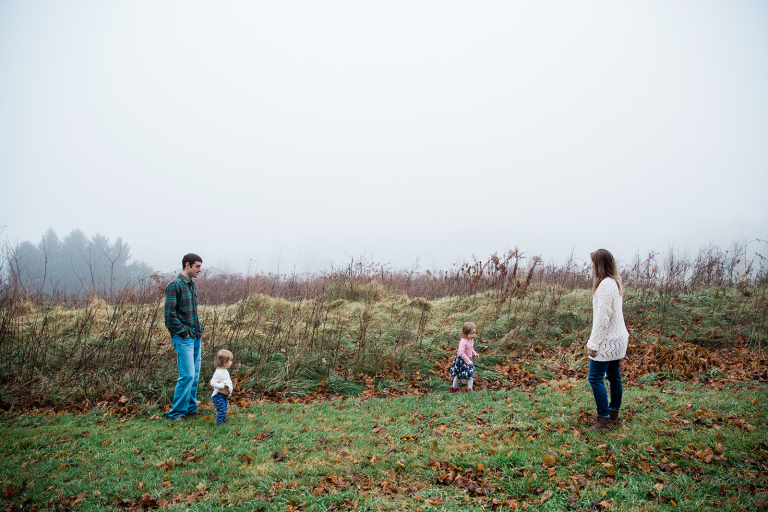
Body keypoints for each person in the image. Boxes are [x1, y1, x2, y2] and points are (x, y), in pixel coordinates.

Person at [586, 248, 629, 431]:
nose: (592, 266)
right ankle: (613, 413)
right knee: (614, 377)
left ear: (599, 264)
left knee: (595, 377)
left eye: (593, 263)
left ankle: (603, 420)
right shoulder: (614, 282)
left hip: (608, 341)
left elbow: (603, 318)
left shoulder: (605, 286)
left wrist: (593, 343)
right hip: (619, 338)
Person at [164, 253, 204, 420]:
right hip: (184, 338)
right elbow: (169, 315)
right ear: (187, 265)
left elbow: (191, 312)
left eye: (200, 266)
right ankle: (176, 413)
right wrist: (184, 332)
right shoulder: (174, 285)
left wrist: (198, 330)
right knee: (187, 375)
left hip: (195, 336)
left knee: (194, 375)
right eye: (197, 266)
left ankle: (190, 408)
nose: (200, 270)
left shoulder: (191, 285)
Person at [449, 322, 480, 392]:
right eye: (471, 334)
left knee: (470, 373)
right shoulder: (463, 342)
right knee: (458, 374)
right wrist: (468, 361)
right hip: (462, 360)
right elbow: (461, 352)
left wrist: (474, 353)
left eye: (474, 333)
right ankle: (454, 387)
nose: (473, 335)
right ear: (465, 333)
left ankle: (470, 388)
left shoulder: (471, 339)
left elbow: (471, 348)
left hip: (469, 359)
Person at [210, 349, 234, 425]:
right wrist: (222, 386)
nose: (231, 362)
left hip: (224, 395)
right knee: (221, 410)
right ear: (224, 363)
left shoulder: (224, 370)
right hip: (218, 395)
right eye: (230, 361)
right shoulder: (219, 373)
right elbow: (212, 383)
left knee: (224, 408)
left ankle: (223, 421)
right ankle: (220, 423)